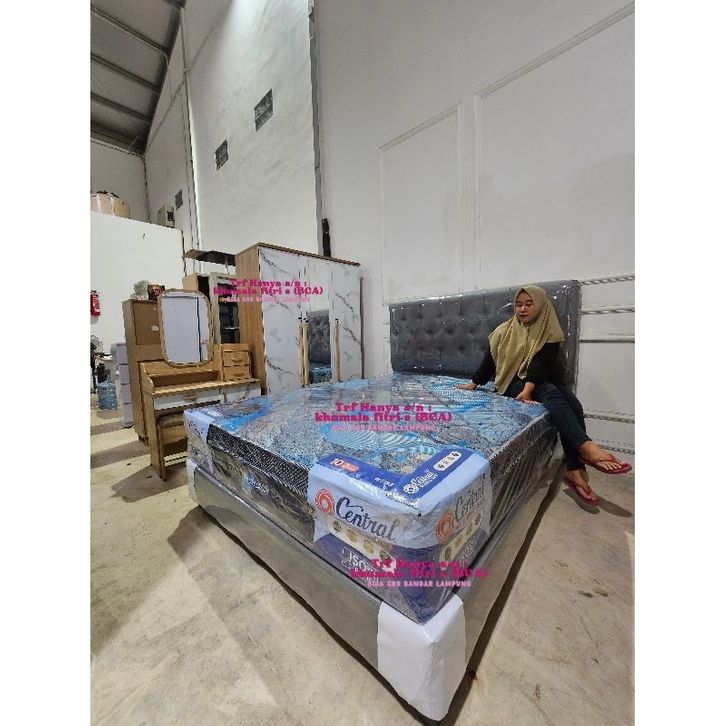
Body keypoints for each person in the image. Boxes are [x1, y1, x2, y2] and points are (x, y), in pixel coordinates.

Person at [457, 285, 631, 505]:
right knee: (549, 392)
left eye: (529, 304)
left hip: (538, 378)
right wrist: (474, 383)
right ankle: (584, 448)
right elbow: (490, 361)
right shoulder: (505, 330)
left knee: (573, 404)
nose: (522, 309)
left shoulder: (549, 329)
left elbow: (540, 365)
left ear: (539, 305)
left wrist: (529, 388)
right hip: (511, 381)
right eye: (519, 304)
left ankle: (574, 467)